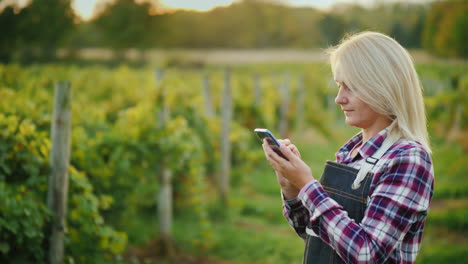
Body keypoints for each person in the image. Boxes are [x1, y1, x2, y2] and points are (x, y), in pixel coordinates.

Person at [261, 31, 434, 264]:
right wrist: (291, 188)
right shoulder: (350, 153)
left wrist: (307, 185)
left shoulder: (408, 159)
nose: (339, 98)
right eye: (339, 86)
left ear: (382, 87)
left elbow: (367, 254)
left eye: (350, 87)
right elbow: (317, 235)